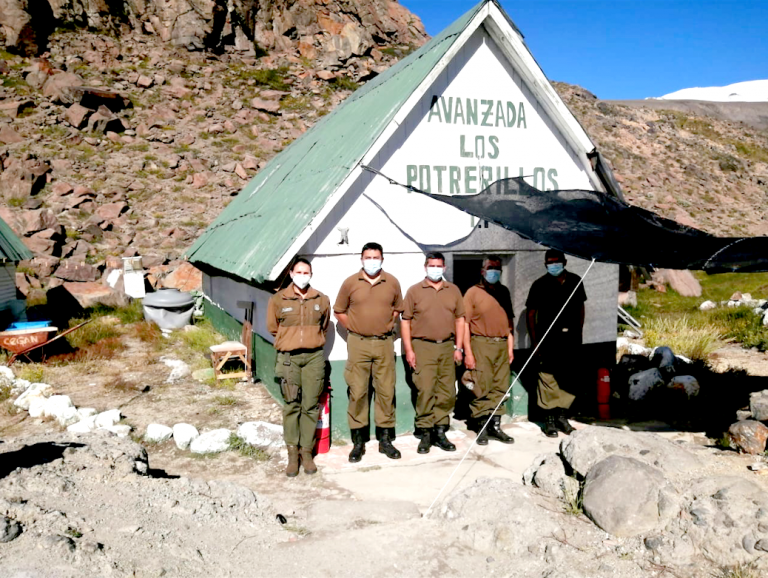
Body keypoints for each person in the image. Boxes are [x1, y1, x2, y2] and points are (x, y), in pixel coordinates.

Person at [334, 242, 404, 462]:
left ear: (382, 259)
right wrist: (354, 327)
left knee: (386, 391)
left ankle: (385, 441)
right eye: (368, 257)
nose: (372, 261)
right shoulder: (350, 283)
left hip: (384, 343)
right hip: (358, 344)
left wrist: (383, 326)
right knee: (358, 392)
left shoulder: (392, 282)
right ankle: (358, 443)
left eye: (376, 257)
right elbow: (339, 311)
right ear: (361, 259)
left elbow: (396, 311)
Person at [266, 257, 331, 477]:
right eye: (299, 272)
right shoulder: (278, 299)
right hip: (289, 359)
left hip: (313, 358)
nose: (303, 276)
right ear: (291, 274)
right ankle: (292, 455)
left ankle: (307, 453)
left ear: (311, 274)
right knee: (292, 405)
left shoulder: (321, 299)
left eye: (307, 272)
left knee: (310, 406)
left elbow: (323, 326)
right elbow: (273, 328)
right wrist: (291, 341)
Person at [401, 252, 465, 454]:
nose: (435, 269)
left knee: (446, 391)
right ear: (425, 267)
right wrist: (409, 349)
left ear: (444, 268)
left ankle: (440, 431)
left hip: (447, 346)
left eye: (439, 266)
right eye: (432, 265)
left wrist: (459, 347)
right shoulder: (414, 291)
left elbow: (460, 320)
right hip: (423, 346)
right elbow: (405, 321)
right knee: (425, 389)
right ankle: (425, 432)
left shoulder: (453, 290)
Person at [526, 249, 587, 438]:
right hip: (547, 340)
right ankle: (549, 420)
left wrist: (579, 332)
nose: (553, 265)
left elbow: (580, 308)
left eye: (556, 262)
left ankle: (562, 417)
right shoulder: (539, 285)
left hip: (570, 340)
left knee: (568, 379)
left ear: (564, 262)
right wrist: (535, 342)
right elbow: (530, 314)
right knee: (547, 379)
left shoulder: (576, 281)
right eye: (549, 263)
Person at [462, 256, 516, 445]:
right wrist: (467, 352)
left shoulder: (504, 291)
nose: (495, 271)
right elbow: (465, 324)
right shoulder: (472, 293)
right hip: (481, 343)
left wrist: (510, 347)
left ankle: (496, 425)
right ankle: (482, 426)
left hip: (501, 344)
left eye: (498, 268)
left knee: (500, 386)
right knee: (481, 385)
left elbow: (510, 322)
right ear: (483, 271)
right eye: (491, 267)